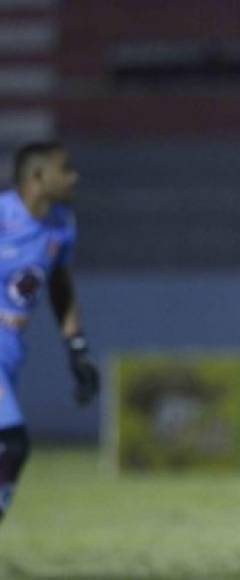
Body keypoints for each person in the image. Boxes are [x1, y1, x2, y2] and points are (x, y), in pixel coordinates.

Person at [0, 142, 100, 525]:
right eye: (66, 168)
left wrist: (77, 348)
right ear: (38, 177)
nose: (74, 176)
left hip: (10, 351)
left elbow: (59, 285)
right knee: (12, 443)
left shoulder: (61, 225)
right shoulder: (4, 215)